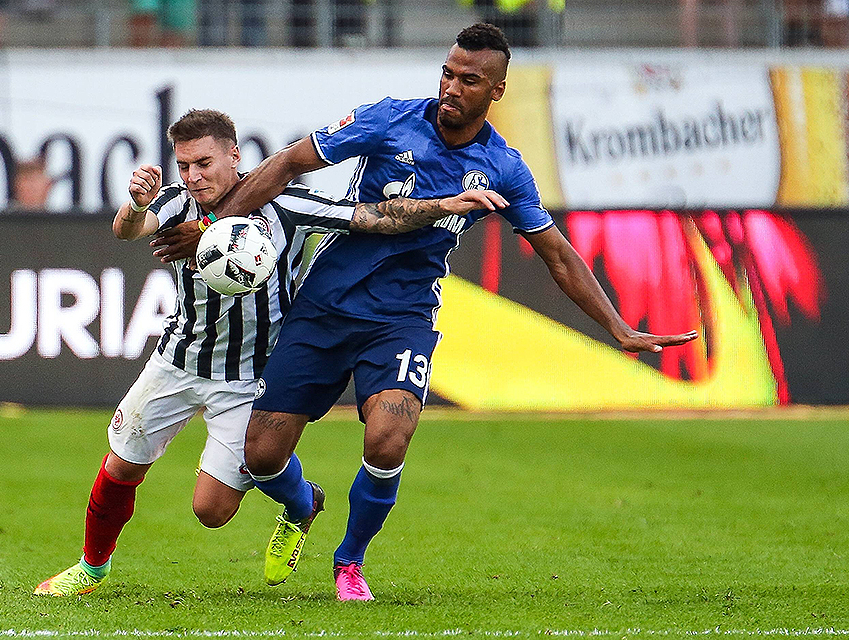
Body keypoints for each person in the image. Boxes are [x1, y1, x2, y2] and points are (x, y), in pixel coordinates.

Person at [153, 23, 698, 602]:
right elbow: (289, 162)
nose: (452, 87)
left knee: (388, 438)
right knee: (261, 454)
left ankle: (349, 563)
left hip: (403, 318)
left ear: (497, 90)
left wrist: (616, 327)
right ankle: (302, 504)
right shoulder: (390, 119)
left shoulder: (504, 169)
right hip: (324, 306)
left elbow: (558, 256)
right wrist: (217, 225)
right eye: (447, 72)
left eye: (469, 79)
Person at [32, 108, 510, 597]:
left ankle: (303, 504)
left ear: (234, 155)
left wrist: (447, 203)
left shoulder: (284, 204)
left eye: (204, 163)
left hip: (248, 376)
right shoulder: (177, 205)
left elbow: (372, 218)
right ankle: (91, 569)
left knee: (211, 512)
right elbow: (128, 231)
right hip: (178, 361)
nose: (194, 177)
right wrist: (135, 205)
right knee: (121, 465)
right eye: (185, 166)